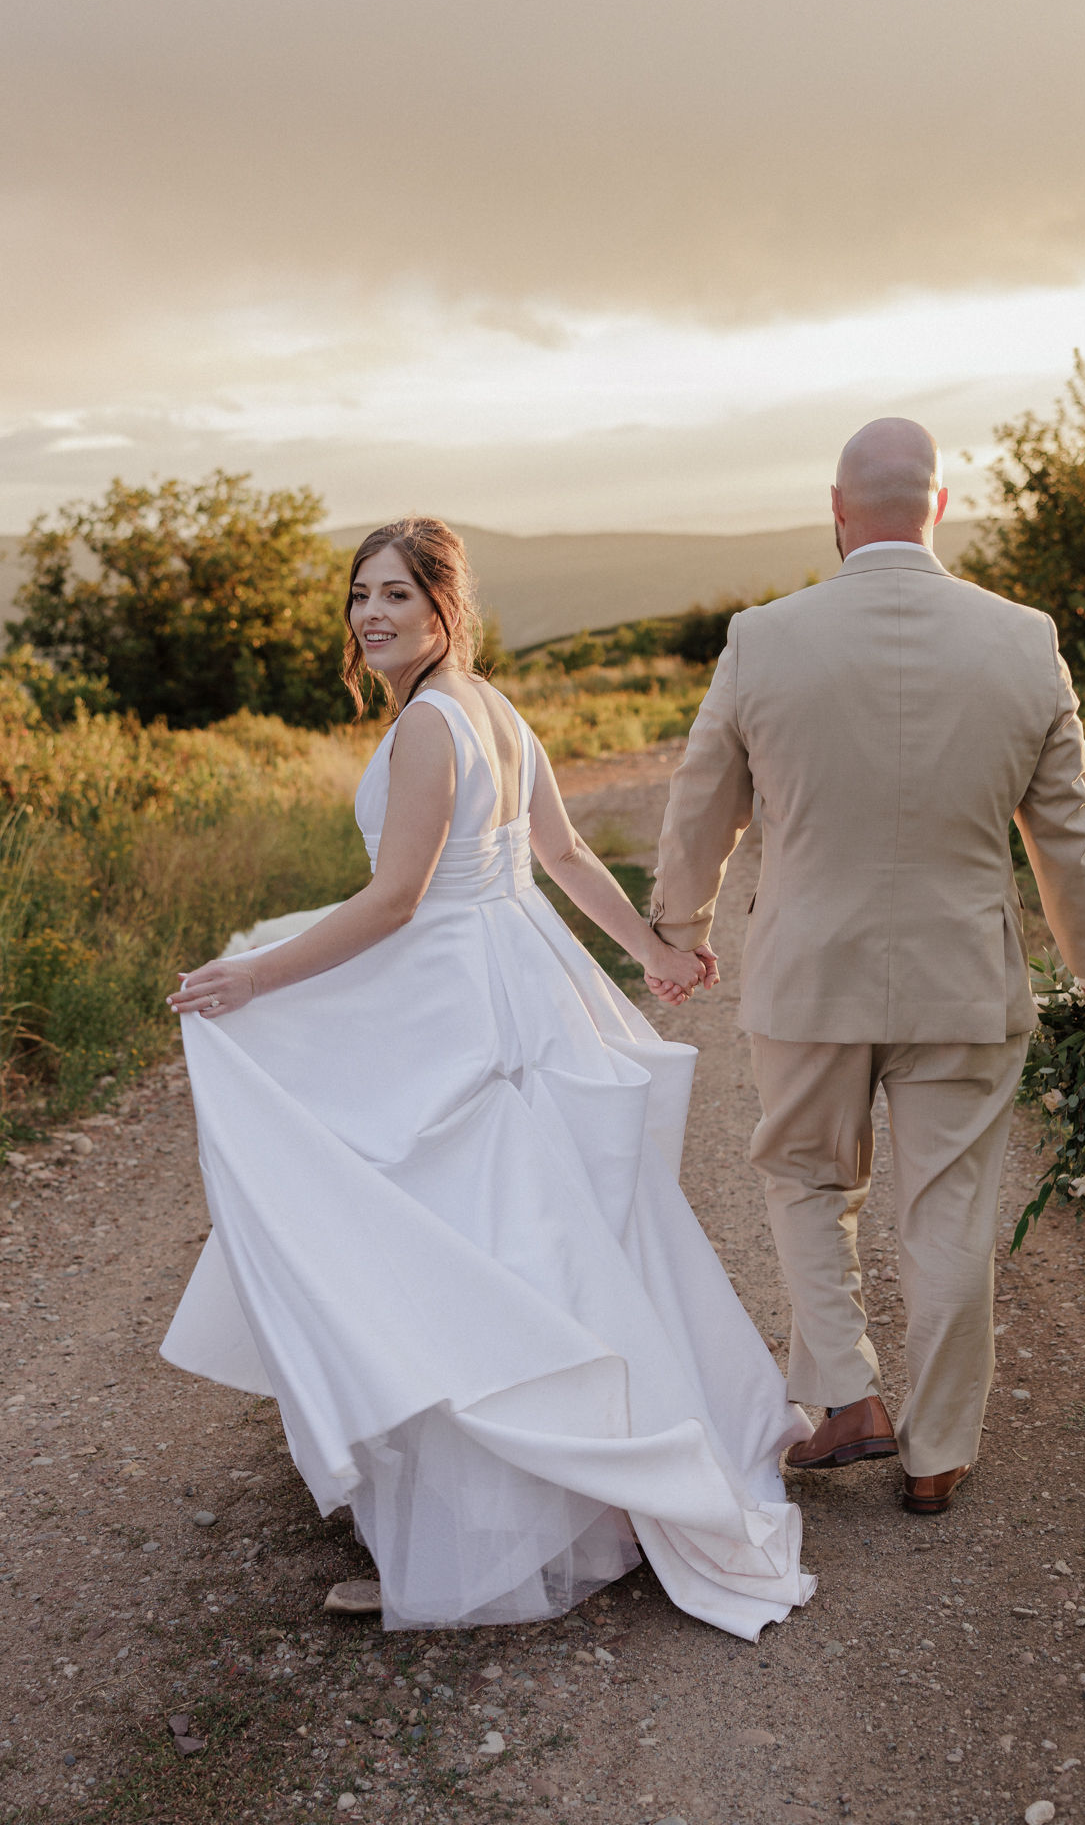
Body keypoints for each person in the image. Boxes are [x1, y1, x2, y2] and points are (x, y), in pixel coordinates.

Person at [160, 517, 815, 1639]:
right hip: (517, 972)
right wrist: (648, 949)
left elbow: (399, 898)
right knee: (547, 1241)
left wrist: (260, 976)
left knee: (469, 1246)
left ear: (444, 606)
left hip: (458, 994)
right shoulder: (495, 706)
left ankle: (492, 1518)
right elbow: (555, 856)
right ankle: (581, 1481)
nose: (371, 615)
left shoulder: (428, 725)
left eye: (396, 597)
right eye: (359, 595)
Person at [648, 419, 1085, 1515]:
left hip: (807, 970)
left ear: (833, 508)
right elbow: (1067, 828)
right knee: (949, 1209)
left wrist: (678, 925)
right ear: (939, 506)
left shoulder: (762, 637)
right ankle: (937, 1451)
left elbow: (700, 799)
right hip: (962, 976)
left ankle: (842, 1395)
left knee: (806, 1177)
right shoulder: (1022, 639)